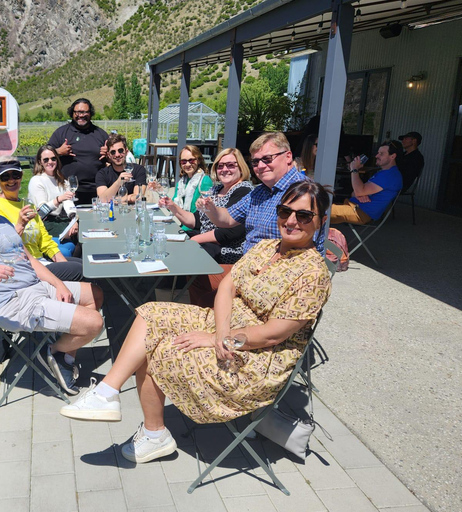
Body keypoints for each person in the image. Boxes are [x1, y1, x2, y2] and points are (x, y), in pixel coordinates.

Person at [60, 181, 332, 464]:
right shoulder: (266, 246)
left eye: (303, 216)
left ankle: (155, 435)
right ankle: (107, 392)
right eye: (284, 211)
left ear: (321, 221)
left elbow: (273, 334)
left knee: (159, 350)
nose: (290, 221)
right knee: (149, 314)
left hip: (257, 357)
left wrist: (220, 339)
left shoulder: (312, 273)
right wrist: (219, 329)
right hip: (226, 326)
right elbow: (227, 286)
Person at [0, 161, 104, 395]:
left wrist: (58, 284)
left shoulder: (0, 220)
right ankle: (53, 351)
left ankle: (64, 358)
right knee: (94, 323)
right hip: (13, 302)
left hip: (36, 286)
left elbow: (29, 259)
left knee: (96, 294)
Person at [159, 148, 254, 307]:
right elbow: (195, 221)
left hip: (227, 250)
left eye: (230, 165)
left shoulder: (243, 190)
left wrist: (195, 239)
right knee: (167, 246)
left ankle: (194, 306)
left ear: (241, 167)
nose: (224, 169)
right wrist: (172, 207)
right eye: (220, 166)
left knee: (189, 256)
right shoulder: (216, 190)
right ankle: (168, 297)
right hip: (209, 244)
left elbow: (231, 232)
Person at [202, 132, 323, 254]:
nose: (260, 166)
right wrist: (210, 208)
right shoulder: (260, 190)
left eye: (267, 159)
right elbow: (228, 219)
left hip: (280, 268)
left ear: (288, 157)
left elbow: (302, 251)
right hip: (250, 264)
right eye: (255, 161)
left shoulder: (303, 191)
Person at [0, 157, 84, 282]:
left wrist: (61, 261)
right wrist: (20, 224)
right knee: (80, 271)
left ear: (21, 175)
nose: (11, 180)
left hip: (42, 260)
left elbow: (44, 240)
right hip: (24, 267)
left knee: (84, 265)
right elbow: (4, 247)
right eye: (5, 177)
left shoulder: (28, 205)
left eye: (15, 175)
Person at [48, 98, 109, 204]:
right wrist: (58, 151)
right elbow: (43, 156)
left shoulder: (100, 134)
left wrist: (109, 153)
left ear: (90, 113)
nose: (81, 115)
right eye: (78, 112)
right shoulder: (61, 133)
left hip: (96, 190)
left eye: (85, 112)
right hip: (68, 191)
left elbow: (116, 157)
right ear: (72, 113)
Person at [330, 141, 403, 225]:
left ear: (393, 156)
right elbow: (354, 193)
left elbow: (358, 191)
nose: (376, 156)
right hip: (353, 206)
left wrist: (354, 169)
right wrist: (361, 193)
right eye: (378, 153)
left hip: (361, 212)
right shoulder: (384, 173)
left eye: (381, 154)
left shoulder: (390, 175)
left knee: (318, 211)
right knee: (319, 210)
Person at [28, 145, 78, 256]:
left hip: (59, 220)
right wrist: (58, 199)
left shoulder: (62, 180)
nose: (50, 162)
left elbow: (69, 202)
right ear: (40, 162)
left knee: (82, 234)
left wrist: (73, 220)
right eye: (46, 159)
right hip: (44, 223)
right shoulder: (37, 181)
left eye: (53, 158)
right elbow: (41, 211)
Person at [95, 133, 147, 204]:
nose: (117, 155)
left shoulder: (138, 170)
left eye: (120, 151)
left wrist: (115, 199)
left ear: (126, 151)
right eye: (113, 152)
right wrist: (118, 182)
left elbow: (138, 196)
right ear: (109, 155)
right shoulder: (102, 173)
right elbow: (103, 199)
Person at [171, 145, 212, 234]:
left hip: (197, 229)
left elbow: (205, 215)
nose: (188, 164)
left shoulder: (205, 181)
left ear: (199, 160)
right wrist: (159, 190)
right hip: (183, 225)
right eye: (184, 161)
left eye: (191, 160)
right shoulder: (182, 183)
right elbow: (172, 206)